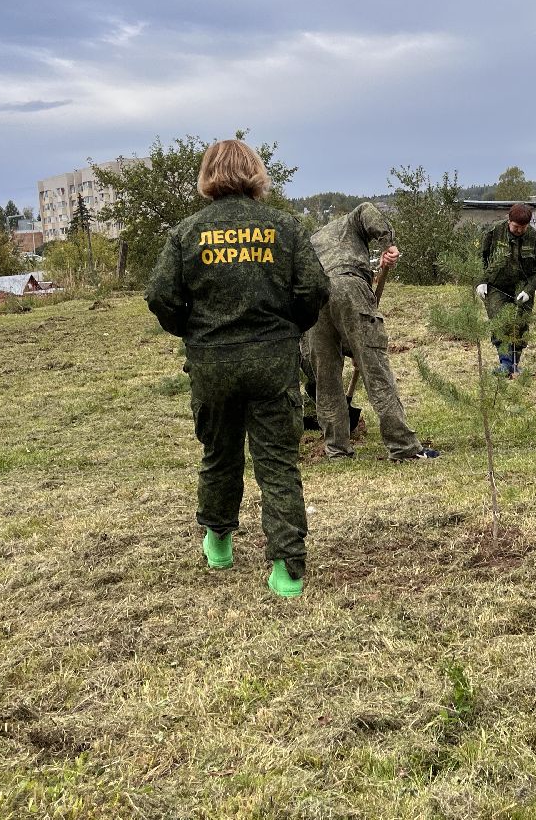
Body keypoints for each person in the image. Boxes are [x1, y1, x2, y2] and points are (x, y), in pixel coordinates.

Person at [145, 139, 329, 598]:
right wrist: (289, 327)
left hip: (212, 365)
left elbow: (160, 297)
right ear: (255, 172)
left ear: (208, 174)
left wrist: (193, 330)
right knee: (278, 463)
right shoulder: (284, 228)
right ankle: (287, 570)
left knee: (219, 454)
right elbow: (314, 288)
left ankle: (219, 542)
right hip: (272, 363)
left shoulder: (188, 233)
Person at [308, 202, 439, 462]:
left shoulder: (313, 240)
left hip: (314, 296)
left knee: (326, 378)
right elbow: (367, 210)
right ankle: (403, 447)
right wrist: (388, 245)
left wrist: (351, 348)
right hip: (349, 286)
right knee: (376, 370)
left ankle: (337, 450)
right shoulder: (351, 221)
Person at [477, 203, 536, 376]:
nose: (519, 230)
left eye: (523, 227)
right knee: (500, 322)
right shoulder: (494, 233)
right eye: (516, 227)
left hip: (522, 288)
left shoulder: (535, 239)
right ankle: (505, 363)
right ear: (509, 221)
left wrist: (529, 289)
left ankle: (514, 365)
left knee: (520, 325)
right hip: (496, 286)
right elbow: (479, 258)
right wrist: (480, 281)